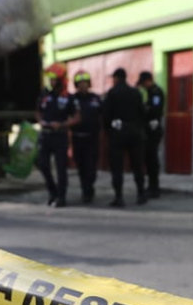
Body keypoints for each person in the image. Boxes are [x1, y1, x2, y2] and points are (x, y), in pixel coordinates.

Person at [33, 62, 81, 207]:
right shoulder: (44, 95)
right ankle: (52, 192)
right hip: (45, 135)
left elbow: (77, 117)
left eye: (54, 78)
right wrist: (41, 121)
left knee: (61, 168)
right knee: (43, 165)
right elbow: (37, 112)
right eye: (50, 78)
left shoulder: (69, 98)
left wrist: (63, 124)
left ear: (60, 80)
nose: (51, 81)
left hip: (60, 136)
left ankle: (61, 197)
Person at [101, 67, 147, 207]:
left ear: (116, 78)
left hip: (118, 132)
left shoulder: (112, 93)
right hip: (134, 132)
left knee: (117, 167)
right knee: (137, 164)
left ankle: (119, 197)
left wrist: (108, 130)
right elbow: (142, 113)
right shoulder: (136, 93)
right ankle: (141, 194)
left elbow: (106, 115)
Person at [69, 70, 103, 204]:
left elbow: (103, 114)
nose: (83, 85)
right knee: (81, 166)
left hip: (92, 138)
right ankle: (86, 191)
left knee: (91, 167)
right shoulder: (72, 100)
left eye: (85, 83)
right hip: (77, 138)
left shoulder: (96, 98)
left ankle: (90, 187)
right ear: (77, 85)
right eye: (80, 83)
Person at [137, 71, 166, 199]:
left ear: (148, 81)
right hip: (148, 128)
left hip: (153, 128)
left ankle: (154, 187)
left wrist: (144, 109)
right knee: (148, 158)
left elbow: (155, 110)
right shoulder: (149, 92)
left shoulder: (156, 92)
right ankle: (151, 186)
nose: (143, 86)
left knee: (152, 158)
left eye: (143, 83)